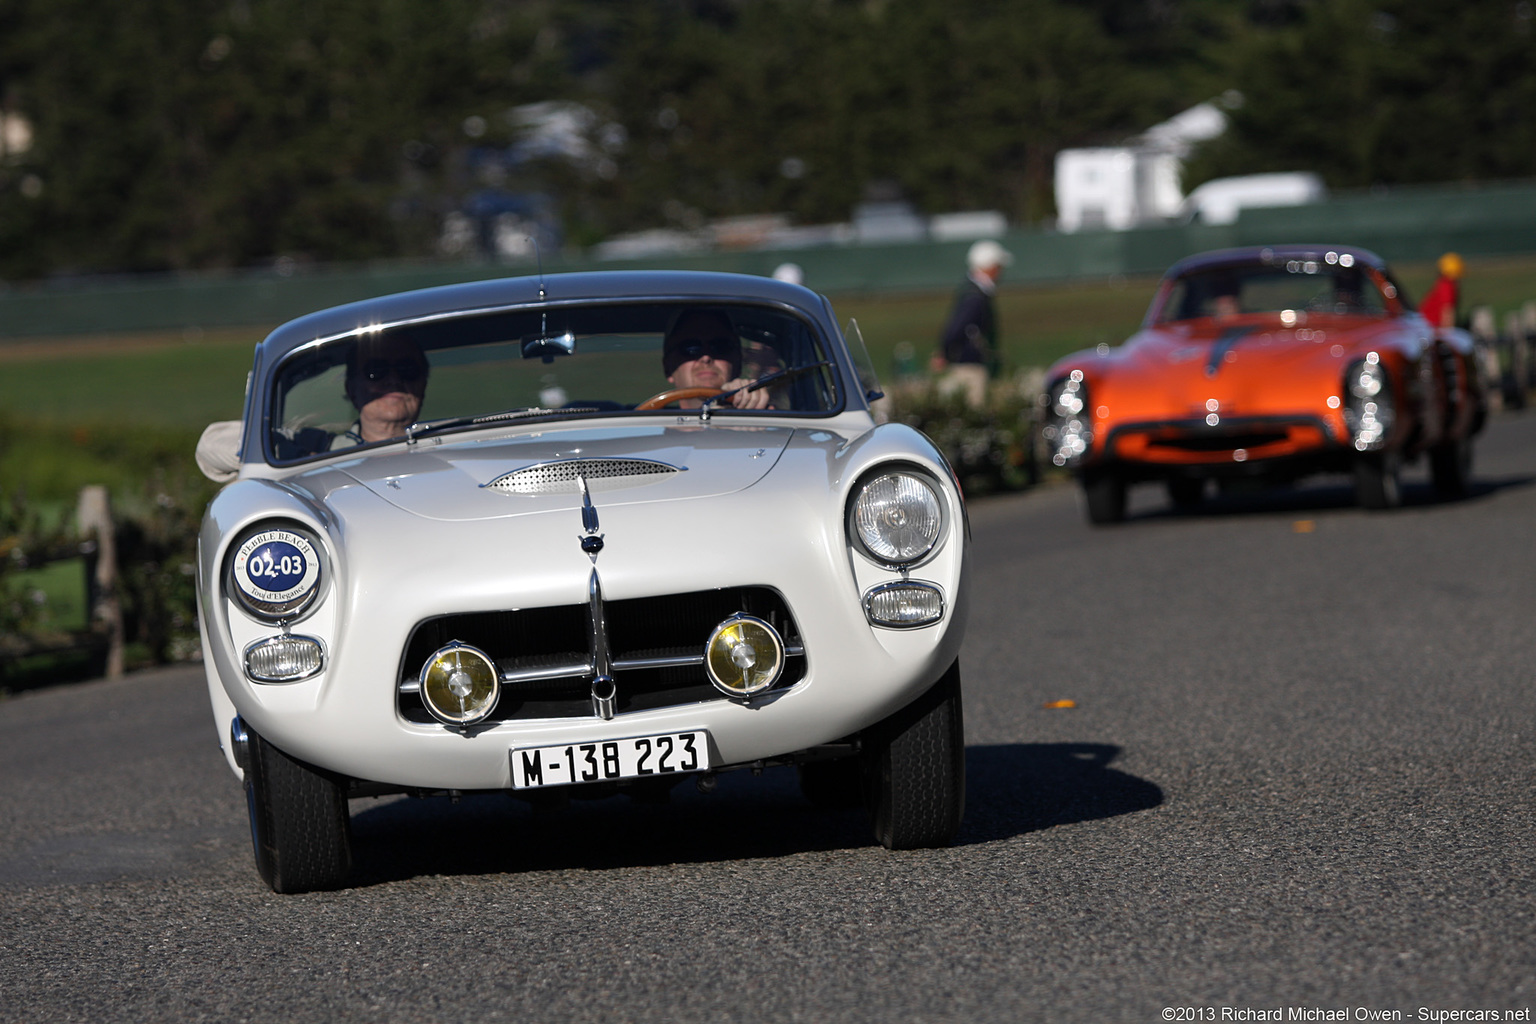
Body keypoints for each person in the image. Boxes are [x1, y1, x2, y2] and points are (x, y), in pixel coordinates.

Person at [932, 239, 1012, 406]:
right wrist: (946, 352)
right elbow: (956, 328)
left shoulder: (974, 292)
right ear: (990, 266)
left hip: (971, 363)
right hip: (970, 366)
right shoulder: (975, 296)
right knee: (974, 408)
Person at [331, 333, 430, 448]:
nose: (394, 380)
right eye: (376, 371)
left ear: (423, 385)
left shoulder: (451, 450)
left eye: (406, 369)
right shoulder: (319, 456)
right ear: (351, 390)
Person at [660, 308, 771, 410]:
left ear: (738, 362)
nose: (706, 357)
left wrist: (751, 405)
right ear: (668, 368)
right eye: (690, 348)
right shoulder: (646, 427)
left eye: (721, 346)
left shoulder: (771, 423)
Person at [1419, 252, 1463, 330]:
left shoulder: (1443, 283)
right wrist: (1448, 333)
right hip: (1431, 326)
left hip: (1428, 325)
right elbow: (1447, 311)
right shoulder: (1447, 285)